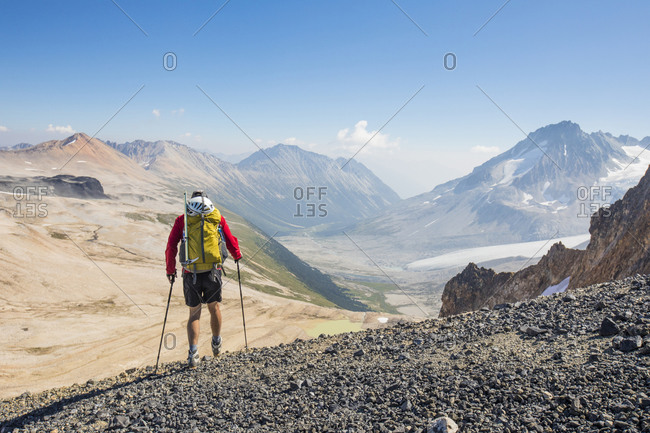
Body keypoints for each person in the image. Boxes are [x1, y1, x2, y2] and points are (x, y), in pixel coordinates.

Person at [165, 190, 242, 367]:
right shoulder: (216, 217)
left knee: (194, 313)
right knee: (214, 307)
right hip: (212, 271)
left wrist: (170, 270)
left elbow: (171, 245)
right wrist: (236, 255)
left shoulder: (183, 220)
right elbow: (229, 239)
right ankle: (216, 342)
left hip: (190, 272)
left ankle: (193, 353)